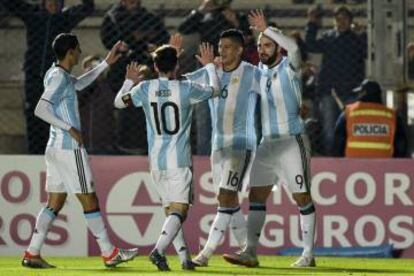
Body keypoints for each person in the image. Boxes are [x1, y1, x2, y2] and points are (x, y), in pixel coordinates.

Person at [23, 33, 138, 269]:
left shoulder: (57, 74)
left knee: (54, 202)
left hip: (55, 148)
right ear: (71, 51)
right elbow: (40, 109)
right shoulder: (58, 78)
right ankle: (109, 252)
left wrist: (107, 62)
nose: (80, 52)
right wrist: (70, 128)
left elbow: (79, 84)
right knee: (89, 197)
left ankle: (32, 252)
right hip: (68, 147)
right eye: (78, 48)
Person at [114, 35, 220, 271]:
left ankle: (183, 259)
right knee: (179, 210)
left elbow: (119, 103)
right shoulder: (185, 89)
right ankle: (158, 251)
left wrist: (128, 82)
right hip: (179, 161)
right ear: (177, 66)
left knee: (171, 212)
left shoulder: (145, 88)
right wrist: (210, 66)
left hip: (156, 162)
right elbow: (215, 90)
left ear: (154, 66)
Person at [222, 10, 316, 268]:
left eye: (267, 45)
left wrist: (268, 29)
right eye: (260, 45)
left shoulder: (289, 66)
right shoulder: (258, 72)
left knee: (301, 197)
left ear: (277, 47)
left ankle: (308, 255)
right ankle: (250, 251)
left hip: (291, 140)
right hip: (267, 144)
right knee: (256, 196)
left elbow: (294, 46)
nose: (262, 49)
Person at [184, 29, 265, 267]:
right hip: (217, 147)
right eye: (220, 47)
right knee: (227, 199)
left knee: (226, 197)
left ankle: (205, 254)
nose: (222, 51)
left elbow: (275, 93)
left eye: (228, 46)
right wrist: (172, 61)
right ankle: (248, 251)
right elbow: (184, 84)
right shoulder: (213, 71)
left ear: (240, 50)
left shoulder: (251, 73)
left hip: (241, 144)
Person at [0, 0, 94, 154]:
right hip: (33, 78)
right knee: (34, 118)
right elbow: (10, 4)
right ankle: (34, 156)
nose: (52, 3)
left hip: (55, 80)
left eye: (56, 1)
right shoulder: (33, 15)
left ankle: (54, 155)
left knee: (55, 119)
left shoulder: (65, 18)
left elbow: (88, 7)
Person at [100, 0, 170, 154]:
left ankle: (146, 145)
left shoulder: (149, 16)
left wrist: (150, 45)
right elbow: (109, 41)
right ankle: (124, 146)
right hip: (122, 71)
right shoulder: (113, 16)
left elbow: (163, 39)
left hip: (146, 70)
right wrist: (136, 41)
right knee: (125, 106)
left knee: (146, 107)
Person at [305, 5, 367, 156]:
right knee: (329, 130)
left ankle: (350, 157)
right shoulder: (329, 37)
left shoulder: (356, 39)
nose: (341, 22)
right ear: (334, 21)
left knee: (351, 128)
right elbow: (311, 45)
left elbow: (368, 52)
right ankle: (331, 162)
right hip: (330, 92)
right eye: (338, 19)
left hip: (351, 91)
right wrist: (312, 24)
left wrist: (363, 35)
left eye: (345, 19)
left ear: (350, 21)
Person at [334, 80, 407, 158]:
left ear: (363, 93)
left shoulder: (349, 112)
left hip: (353, 165)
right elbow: (401, 144)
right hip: (385, 165)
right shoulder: (392, 115)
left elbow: (338, 141)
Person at [78, 55, 116, 154]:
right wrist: (88, 81)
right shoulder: (78, 86)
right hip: (81, 142)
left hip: (104, 143)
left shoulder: (107, 86)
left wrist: (100, 80)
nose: (94, 71)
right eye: (91, 68)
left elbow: (112, 104)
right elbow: (76, 101)